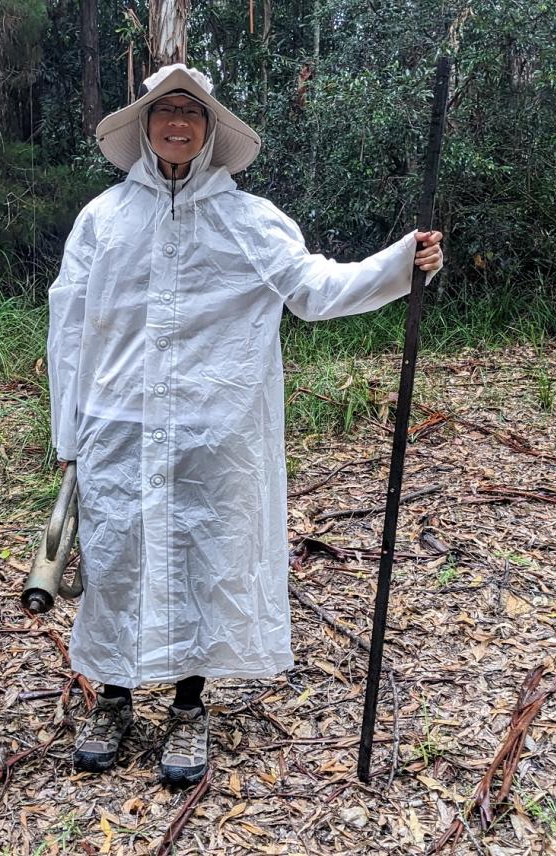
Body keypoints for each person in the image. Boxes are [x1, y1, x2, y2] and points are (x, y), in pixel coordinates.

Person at [47, 63, 442, 786]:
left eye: (190, 113)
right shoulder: (102, 220)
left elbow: (316, 289)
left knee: (204, 563)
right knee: (115, 566)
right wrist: (66, 437)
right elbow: (69, 326)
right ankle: (114, 698)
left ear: (209, 131)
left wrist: (400, 264)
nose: (176, 123)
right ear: (144, 126)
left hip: (212, 433)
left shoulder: (249, 221)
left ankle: (190, 710)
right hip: (118, 430)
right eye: (163, 110)